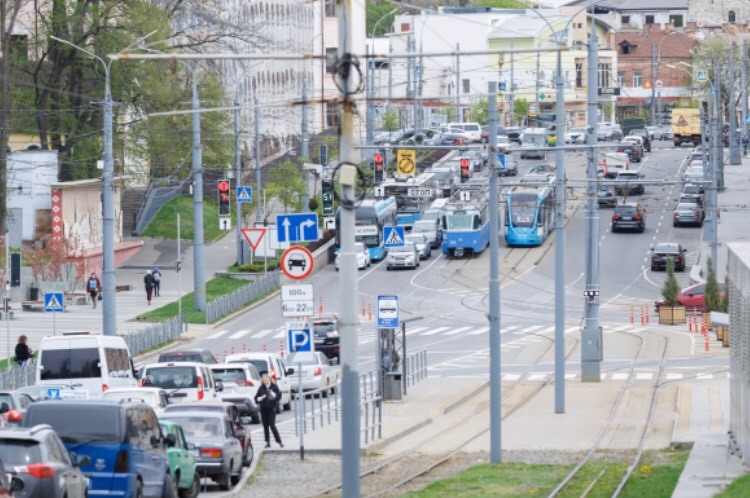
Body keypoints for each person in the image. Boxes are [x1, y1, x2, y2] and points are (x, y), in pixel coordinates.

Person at [254, 374, 283, 448]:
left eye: (266, 380)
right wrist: (261, 397)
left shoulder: (274, 386)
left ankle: (279, 441)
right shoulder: (261, 388)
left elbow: (278, 396)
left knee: (272, 425)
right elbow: (256, 398)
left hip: (271, 409)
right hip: (263, 409)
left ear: (269, 379)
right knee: (265, 426)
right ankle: (267, 442)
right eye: (264, 380)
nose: (265, 381)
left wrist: (271, 392)